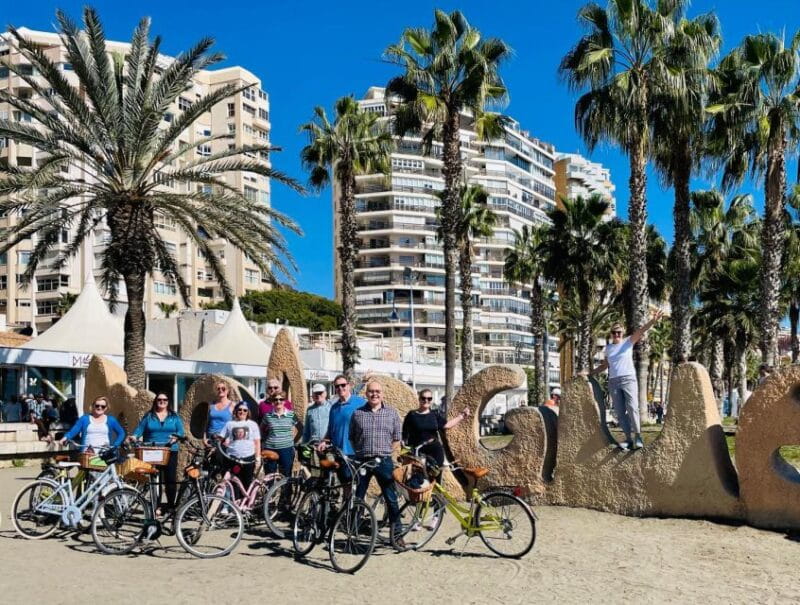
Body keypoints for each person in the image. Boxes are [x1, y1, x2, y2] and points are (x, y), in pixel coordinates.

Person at [591, 310, 663, 451]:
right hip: (613, 382)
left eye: (619, 332)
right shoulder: (608, 348)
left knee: (632, 408)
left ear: (622, 333)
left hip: (628, 380)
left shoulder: (627, 342)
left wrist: (652, 321)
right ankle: (629, 440)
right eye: (614, 332)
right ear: (611, 334)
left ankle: (637, 436)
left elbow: (641, 331)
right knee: (619, 411)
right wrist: (591, 373)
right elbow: (605, 365)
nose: (617, 335)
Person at [349, 380, 404, 543]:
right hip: (363, 462)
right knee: (358, 497)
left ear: (382, 394)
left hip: (384, 461)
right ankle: (353, 531)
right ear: (366, 394)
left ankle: (397, 535)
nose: (374, 394)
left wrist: (388, 453)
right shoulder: (358, 413)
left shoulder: (392, 413)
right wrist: (359, 452)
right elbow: (352, 437)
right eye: (371, 391)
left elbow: (397, 438)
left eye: (377, 391)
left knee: (391, 499)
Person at [130, 393, 185, 514]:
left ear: (168, 402)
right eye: (159, 399)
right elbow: (139, 430)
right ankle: (157, 506)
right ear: (155, 401)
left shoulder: (174, 417)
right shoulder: (149, 416)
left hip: (170, 450)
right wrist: (134, 436)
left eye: (165, 399)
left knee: (170, 480)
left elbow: (181, 432)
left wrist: (176, 438)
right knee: (155, 480)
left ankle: (171, 506)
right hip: (152, 451)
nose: (162, 401)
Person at [402, 388, 470, 476]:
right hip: (419, 451)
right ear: (419, 399)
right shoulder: (412, 415)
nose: (426, 400)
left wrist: (461, 416)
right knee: (419, 477)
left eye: (429, 398)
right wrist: (403, 443)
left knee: (436, 475)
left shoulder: (434, 415)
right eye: (423, 398)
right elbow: (405, 431)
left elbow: (446, 425)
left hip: (435, 450)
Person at [218, 403, 260, 490]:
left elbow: (257, 442)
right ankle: (234, 503)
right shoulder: (229, 424)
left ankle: (246, 503)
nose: (242, 412)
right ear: (236, 411)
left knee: (247, 484)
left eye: (245, 410)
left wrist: (258, 457)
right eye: (239, 409)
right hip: (232, 458)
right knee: (233, 484)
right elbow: (221, 438)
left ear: (248, 412)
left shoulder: (252, 424)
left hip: (248, 458)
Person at [61, 396, 126, 451]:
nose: (99, 407)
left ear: (106, 408)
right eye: (97, 405)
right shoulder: (84, 419)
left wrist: (115, 445)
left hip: (105, 453)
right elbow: (73, 431)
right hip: (87, 453)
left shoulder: (111, 420)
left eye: (103, 406)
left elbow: (121, 433)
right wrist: (65, 438)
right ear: (93, 406)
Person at [261, 391, 301, 478]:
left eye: (281, 399)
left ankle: (286, 492)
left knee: (286, 477)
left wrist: (293, 441)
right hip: (270, 449)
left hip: (286, 449)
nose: (278, 401)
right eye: (276, 399)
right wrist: (264, 440)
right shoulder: (267, 416)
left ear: (284, 401)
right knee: (269, 477)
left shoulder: (291, 415)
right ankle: (270, 492)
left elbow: (301, 428)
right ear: (273, 401)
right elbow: (261, 429)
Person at [205, 380, 236, 445]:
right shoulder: (211, 405)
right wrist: (204, 438)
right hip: (211, 439)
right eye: (218, 389)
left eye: (223, 388)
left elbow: (236, 424)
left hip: (224, 440)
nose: (220, 390)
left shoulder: (233, 405)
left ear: (228, 391)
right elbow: (207, 423)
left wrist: (229, 439)